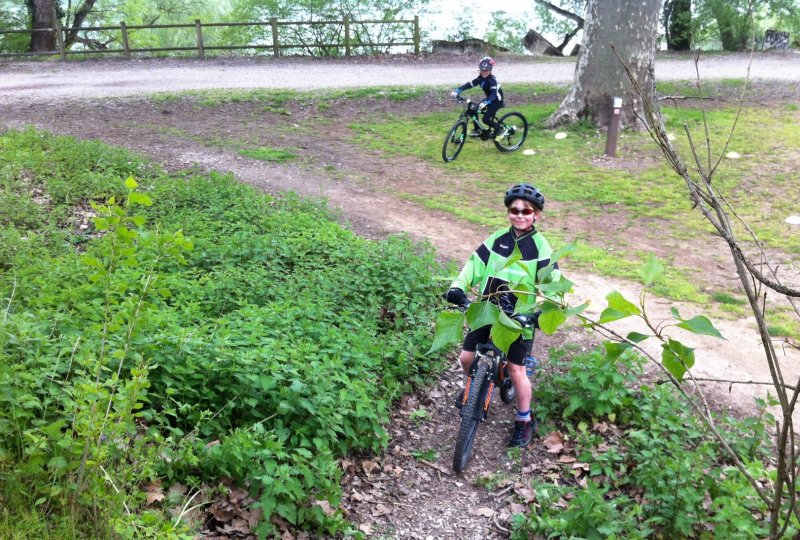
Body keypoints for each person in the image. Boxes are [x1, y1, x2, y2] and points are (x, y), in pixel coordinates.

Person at [444, 183, 558, 448]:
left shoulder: (541, 248)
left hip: (519, 320)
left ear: (536, 215)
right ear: (508, 211)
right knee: (467, 357)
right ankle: (475, 390)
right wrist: (458, 288)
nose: (520, 215)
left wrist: (544, 313)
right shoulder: (496, 239)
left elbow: (555, 282)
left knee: (517, 370)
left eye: (526, 211)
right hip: (487, 310)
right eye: (514, 210)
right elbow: (473, 265)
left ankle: (524, 419)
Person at [450, 56, 506, 140]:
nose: (484, 72)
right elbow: (469, 84)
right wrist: (458, 90)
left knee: (485, 119)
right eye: (482, 70)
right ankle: (477, 130)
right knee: (472, 110)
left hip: (496, 101)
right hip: (489, 100)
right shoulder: (480, 78)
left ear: (490, 70)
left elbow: (493, 95)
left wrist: (485, 102)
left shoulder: (492, 80)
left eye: (486, 70)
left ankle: (500, 129)